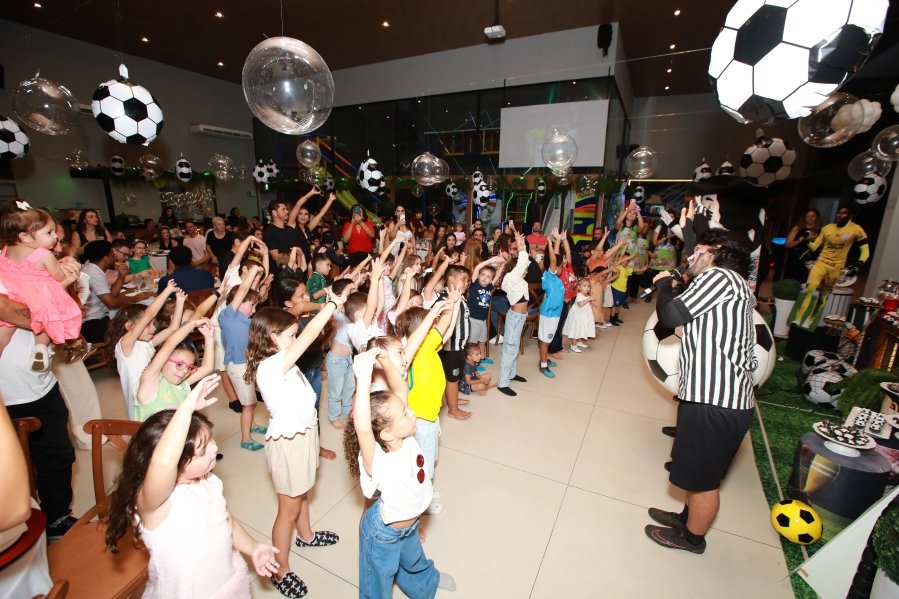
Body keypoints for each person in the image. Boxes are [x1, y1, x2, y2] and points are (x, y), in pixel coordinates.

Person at [104, 375, 280, 597]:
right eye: (202, 450)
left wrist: (253, 547)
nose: (215, 449)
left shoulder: (210, 482)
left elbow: (228, 524)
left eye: (211, 441)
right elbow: (163, 462)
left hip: (226, 587)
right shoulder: (156, 504)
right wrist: (185, 409)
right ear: (176, 462)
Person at [645, 231, 756, 554]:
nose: (691, 256)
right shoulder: (732, 286)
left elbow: (669, 316)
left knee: (703, 479)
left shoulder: (720, 277)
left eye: (698, 250)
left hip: (716, 401)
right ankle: (686, 518)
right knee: (696, 469)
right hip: (715, 399)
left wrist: (665, 282)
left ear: (716, 252)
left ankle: (692, 538)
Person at [245, 299, 346, 598]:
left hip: (301, 437)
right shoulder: (272, 365)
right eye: (290, 335)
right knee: (287, 509)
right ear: (272, 336)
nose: (294, 340)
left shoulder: (280, 361)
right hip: (288, 443)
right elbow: (311, 332)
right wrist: (331, 305)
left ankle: (306, 536)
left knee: (302, 492)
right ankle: (281, 569)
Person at [343, 348, 457, 599]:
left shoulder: (405, 438)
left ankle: (426, 585)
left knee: (414, 560)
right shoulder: (379, 460)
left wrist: (383, 359)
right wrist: (363, 379)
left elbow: (401, 389)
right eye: (405, 414)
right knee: (378, 581)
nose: (411, 412)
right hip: (383, 533)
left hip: (410, 523)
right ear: (385, 433)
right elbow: (362, 427)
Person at [0, 288, 77, 538]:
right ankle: (19, 528)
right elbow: (6, 308)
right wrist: (53, 317)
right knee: (14, 467)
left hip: (40, 386)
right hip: (9, 394)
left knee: (58, 455)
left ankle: (56, 517)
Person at [0, 200, 86, 369]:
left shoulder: (6, 251)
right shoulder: (42, 254)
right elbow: (58, 276)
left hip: (14, 293)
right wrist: (63, 269)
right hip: (39, 297)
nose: (55, 237)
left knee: (5, 332)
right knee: (49, 322)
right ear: (24, 236)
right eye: (49, 232)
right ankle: (40, 348)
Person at [108, 281, 186, 420]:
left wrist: (180, 302)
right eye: (147, 325)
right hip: (139, 402)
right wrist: (167, 290)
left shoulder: (146, 344)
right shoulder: (125, 347)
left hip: (153, 394)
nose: (154, 328)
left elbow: (173, 329)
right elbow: (149, 314)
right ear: (130, 326)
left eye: (152, 324)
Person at [790, 205, 868, 329]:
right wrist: (808, 240)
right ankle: (798, 318)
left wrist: (859, 264)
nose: (839, 215)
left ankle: (810, 320)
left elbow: (865, 251)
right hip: (821, 263)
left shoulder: (856, 229)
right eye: (838, 213)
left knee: (823, 295)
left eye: (843, 213)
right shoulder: (827, 228)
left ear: (850, 216)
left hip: (836, 267)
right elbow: (814, 247)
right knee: (810, 289)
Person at [219, 268, 266, 451]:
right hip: (238, 367)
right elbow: (243, 290)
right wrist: (254, 273)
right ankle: (246, 438)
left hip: (245, 365)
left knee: (250, 399)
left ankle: (252, 425)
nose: (254, 310)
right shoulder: (228, 316)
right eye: (251, 306)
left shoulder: (245, 319)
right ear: (236, 302)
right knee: (249, 404)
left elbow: (251, 293)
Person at [80, 240, 152, 343]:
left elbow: (112, 295)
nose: (115, 258)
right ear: (106, 257)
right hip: (93, 324)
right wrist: (137, 298)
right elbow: (111, 303)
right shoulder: (93, 272)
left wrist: (122, 276)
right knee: (138, 326)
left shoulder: (94, 269)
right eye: (112, 255)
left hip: (99, 319)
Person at [497, 228, 530, 397]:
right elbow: (523, 263)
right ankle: (503, 383)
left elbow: (525, 262)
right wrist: (520, 245)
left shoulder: (519, 279)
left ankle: (512, 374)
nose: (526, 270)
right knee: (509, 348)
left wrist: (523, 245)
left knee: (515, 346)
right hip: (515, 318)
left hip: (521, 317)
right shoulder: (510, 279)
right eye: (522, 269)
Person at [537, 230, 566, 377]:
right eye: (562, 266)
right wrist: (549, 243)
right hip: (549, 314)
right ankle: (543, 365)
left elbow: (555, 258)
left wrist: (558, 241)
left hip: (554, 314)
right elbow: (554, 260)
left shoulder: (554, 278)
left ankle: (544, 360)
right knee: (545, 341)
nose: (562, 269)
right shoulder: (549, 275)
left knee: (546, 339)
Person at [782, 208, 821, 283]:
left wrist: (815, 239)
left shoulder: (821, 230)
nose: (810, 218)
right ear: (804, 217)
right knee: (791, 281)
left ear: (817, 217)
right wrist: (800, 240)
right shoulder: (798, 228)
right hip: (796, 257)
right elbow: (787, 245)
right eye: (808, 216)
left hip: (812, 259)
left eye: (813, 216)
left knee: (808, 282)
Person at [562, 278, 597, 352]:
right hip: (577, 316)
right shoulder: (578, 295)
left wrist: (592, 302)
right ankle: (573, 345)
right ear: (579, 287)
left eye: (588, 286)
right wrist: (589, 299)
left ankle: (579, 342)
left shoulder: (587, 296)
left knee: (582, 327)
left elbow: (587, 304)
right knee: (576, 329)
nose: (587, 288)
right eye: (584, 286)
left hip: (583, 315)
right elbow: (580, 304)